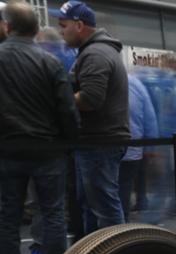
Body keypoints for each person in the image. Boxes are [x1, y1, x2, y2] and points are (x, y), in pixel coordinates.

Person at [0, 1, 78, 254]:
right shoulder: (50, 62)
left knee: (8, 214)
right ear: (35, 29)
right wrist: (69, 142)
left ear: (8, 27)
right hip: (47, 150)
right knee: (53, 213)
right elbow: (67, 109)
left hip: (8, 150)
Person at [52, 1, 129, 235]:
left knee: (105, 208)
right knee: (94, 206)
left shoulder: (95, 54)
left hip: (100, 142)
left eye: (63, 25)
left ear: (79, 25)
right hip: (98, 142)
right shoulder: (94, 51)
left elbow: (90, 99)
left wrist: (60, 100)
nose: (60, 31)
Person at [119, 73, 158, 220]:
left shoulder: (100, 78)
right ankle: (121, 226)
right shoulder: (136, 84)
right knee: (124, 187)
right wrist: (150, 148)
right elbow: (150, 119)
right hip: (133, 148)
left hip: (105, 146)